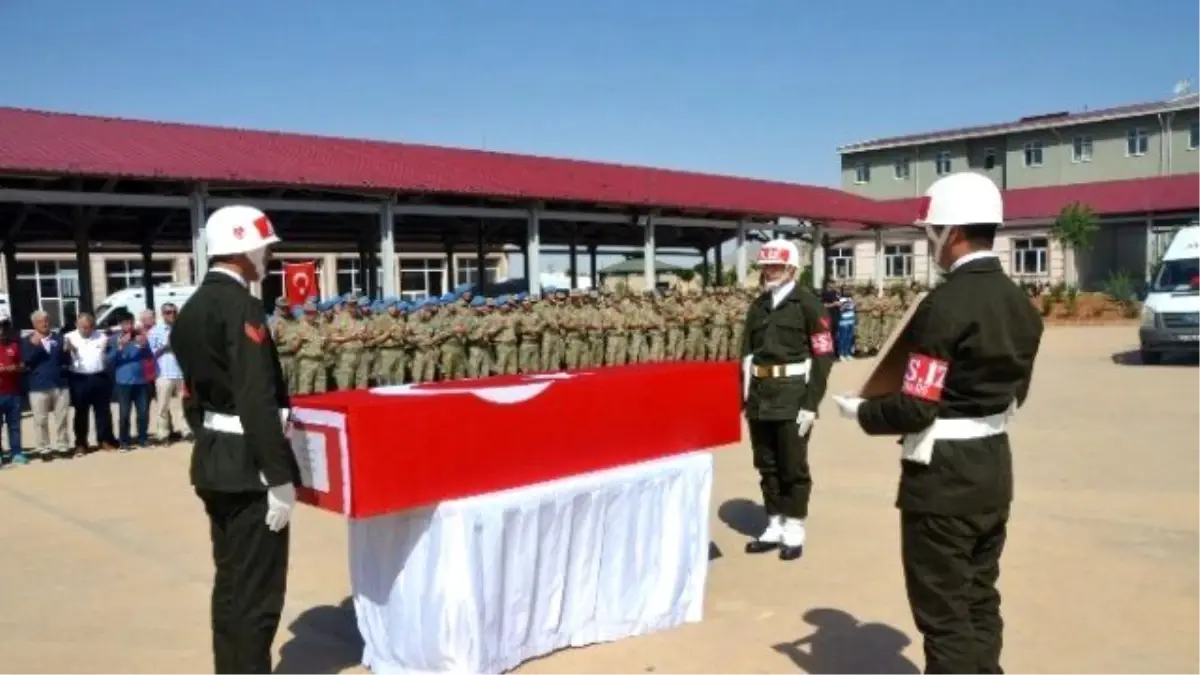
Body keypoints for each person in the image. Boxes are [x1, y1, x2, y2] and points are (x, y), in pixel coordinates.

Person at [832, 172, 1043, 675]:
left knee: (944, 615)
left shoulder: (944, 305)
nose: (932, 245)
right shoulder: (1021, 303)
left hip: (942, 480)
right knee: (979, 599)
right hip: (993, 469)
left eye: (932, 233)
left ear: (952, 233)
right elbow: (1018, 393)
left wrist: (861, 411)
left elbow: (915, 408)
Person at [171, 204, 298, 675]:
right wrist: (279, 476)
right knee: (257, 597)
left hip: (215, 461)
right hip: (250, 471)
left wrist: (214, 442)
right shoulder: (241, 305)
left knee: (229, 589)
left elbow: (192, 399)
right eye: (263, 247)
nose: (267, 255)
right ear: (242, 249)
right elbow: (255, 397)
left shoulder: (192, 308)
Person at [739, 239, 835, 561]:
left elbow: (823, 355)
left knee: (792, 464)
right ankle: (774, 523)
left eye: (776, 266)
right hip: (761, 396)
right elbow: (746, 353)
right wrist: (744, 396)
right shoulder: (758, 306)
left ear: (792, 268)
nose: (770, 272)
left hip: (793, 394)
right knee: (766, 463)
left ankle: (794, 527)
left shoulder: (808, 304)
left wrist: (811, 403)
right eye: (766, 266)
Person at [64, 313, 117, 454]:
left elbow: (111, 354)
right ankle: (81, 443)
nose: (86, 330)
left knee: (103, 412)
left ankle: (104, 440)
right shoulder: (68, 337)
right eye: (82, 327)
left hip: (99, 377)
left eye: (88, 327)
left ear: (93, 326)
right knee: (81, 412)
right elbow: (62, 357)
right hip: (79, 378)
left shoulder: (102, 337)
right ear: (77, 325)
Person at [24, 310, 71, 459]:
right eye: (40, 321)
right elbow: (26, 361)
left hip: (60, 384)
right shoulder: (27, 340)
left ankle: (63, 446)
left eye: (46, 320)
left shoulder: (59, 338)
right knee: (40, 419)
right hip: (38, 385)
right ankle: (44, 449)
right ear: (34, 324)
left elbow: (66, 361)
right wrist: (34, 347)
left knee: (62, 417)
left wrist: (66, 352)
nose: (44, 323)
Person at [109, 313, 154, 450]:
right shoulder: (114, 339)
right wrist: (120, 347)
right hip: (123, 382)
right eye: (125, 323)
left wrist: (144, 346)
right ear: (120, 325)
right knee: (124, 413)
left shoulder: (139, 337)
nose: (128, 326)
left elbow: (149, 357)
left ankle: (143, 438)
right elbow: (109, 360)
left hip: (140, 381)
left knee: (143, 412)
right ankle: (124, 441)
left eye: (130, 323)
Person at [148, 303, 186, 444]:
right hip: (164, 373)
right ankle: (163, 434)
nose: (172, 315)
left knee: (185, 404)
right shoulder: (155, 331)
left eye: (174, 312)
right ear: (163, 314)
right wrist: (166, 347)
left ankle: (185, 430)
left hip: (181, 373)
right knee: (163, 406)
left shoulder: (183, 329)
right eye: (169, 312)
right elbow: (151, 354)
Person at [0, 311, 26, 466]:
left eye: (4, 325)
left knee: (14, 425)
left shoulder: (15, 345)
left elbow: (22, 365)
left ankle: (17, 452)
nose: (1, 330)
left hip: (13, 393)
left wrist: (14, 368)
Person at [836, 285, 857, 361]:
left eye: (848, 289)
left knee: (850, 338)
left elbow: (853, 309)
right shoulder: (840, 299)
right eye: (845, 290)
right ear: (842, 291)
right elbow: (840, 309)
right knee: (843, 339)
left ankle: (848, 353)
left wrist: (854, 305)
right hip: (843, 322)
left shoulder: (851, 299)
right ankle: (841, 354)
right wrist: (845, 305)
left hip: (851, 321)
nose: (847, 291)